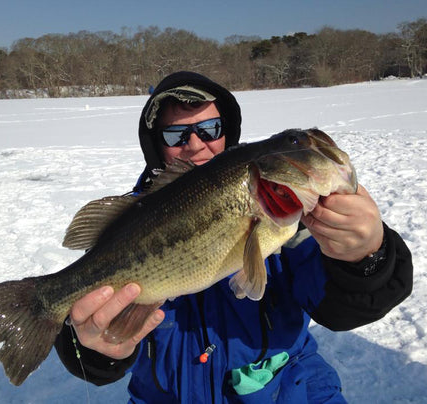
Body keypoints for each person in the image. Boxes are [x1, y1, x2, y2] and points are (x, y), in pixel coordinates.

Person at [54, 71, 413, 403]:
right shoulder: (130, 222)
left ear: (228, 130)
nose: (196, 144)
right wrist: (92, 348)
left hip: (288, 392)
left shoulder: (290, 216)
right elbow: (87, 328)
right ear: (155, 145)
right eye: (176, 134)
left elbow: (337, 309)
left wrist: (366, 256)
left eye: (209, 128)